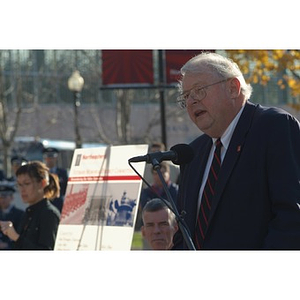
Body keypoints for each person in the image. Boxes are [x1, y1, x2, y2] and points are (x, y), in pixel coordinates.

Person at [172, 52, 300, 250]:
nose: (191, 101)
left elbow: (291, 217)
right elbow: (185, 235)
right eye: (186, 96)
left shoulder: (273, 127)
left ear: (233, 88)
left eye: (199, 90)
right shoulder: (193, 153)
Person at [0, 161, 61, 250]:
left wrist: (16, 237)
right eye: (19, 185)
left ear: (42, 183)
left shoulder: (48, 214)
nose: (22, 189)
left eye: (27, 183)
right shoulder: (28, 213)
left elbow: (46, 252)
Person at [43, 147, 68, 212]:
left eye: (52, 157)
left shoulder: (62, 172)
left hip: (59, 203)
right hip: (44, 202)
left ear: (56, 158)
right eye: (48, 157)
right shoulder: (41, 172)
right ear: (45, 158)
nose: (50, 159)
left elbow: (66, 188)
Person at [0, 182, 24, 249]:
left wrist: (7, 244)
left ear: (12, 197)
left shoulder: (20, 214)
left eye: (4, 197)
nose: (2, 200)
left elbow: (20, 236)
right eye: (0, 197)